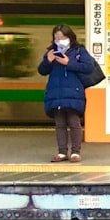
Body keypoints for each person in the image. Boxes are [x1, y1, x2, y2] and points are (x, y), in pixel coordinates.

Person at [37, 24, 94, 163]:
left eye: (62, 37)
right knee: (60, 124)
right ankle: (62, 152)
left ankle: (75, 152)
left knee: (74, 122)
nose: (59, 40)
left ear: (70, 37)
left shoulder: (79, 51)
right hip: (56, 93)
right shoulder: (51, 52)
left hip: (73, 92)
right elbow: (42, 70)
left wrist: (69, 62)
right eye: (56, 38)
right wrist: (48, 61)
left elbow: (89, 67)